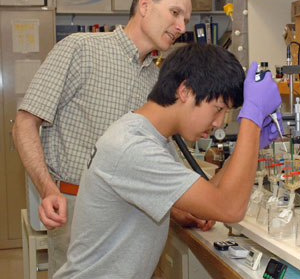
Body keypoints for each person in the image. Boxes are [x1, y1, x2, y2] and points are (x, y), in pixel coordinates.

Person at [11, 0, 209, 278]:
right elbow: (25, 123)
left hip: (140, 218)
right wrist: (47, 189)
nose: (182, 26)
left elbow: (157, 157)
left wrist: (183, 210)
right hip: (79, 212)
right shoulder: (79, 49)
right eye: (175, 13)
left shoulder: (156, 82)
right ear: (145, 5)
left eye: (186, 19)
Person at [53, 43, 282, 279]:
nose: (218, 123)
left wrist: (248, 151)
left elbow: (210, 200)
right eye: (218, 109)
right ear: (185, 91)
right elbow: (230, 208)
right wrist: (252, 122)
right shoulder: (134, 148)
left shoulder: (151, 137)